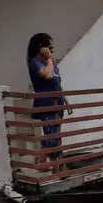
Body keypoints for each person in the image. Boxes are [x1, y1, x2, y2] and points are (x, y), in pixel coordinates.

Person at [27, 33, 72, 167]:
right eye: (50, 47)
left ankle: (44, 162)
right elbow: (48, 76)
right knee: (51, 135)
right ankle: (56, 167)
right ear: (41, 46)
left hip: (58, 102)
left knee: (55, 134)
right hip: (46, 103)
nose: (52, 50)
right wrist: (49, 59)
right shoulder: (35, 62)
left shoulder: (49, 61)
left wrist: (66, 99)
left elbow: (57, 82)